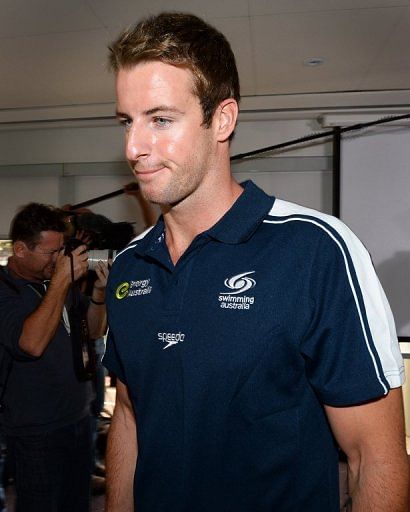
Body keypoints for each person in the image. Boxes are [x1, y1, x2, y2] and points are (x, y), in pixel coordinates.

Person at [102, 12, 409, 512]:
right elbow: (131, 416)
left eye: (160, 119)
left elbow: (373, 456)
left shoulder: (315, 250)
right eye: (126, 121)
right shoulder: (130, 267)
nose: (134, 148)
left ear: (221, 119)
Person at [0, 202, 108, 512]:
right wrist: (61, 279)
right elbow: (30, 344)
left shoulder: (56, 282)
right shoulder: (6, 289)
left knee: (76, 504)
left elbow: (93, 332)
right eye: (51, 252)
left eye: (62, 250)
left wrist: (99, 293)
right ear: (20, 249)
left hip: (77, 418)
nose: (59, 259)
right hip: (36, 431)